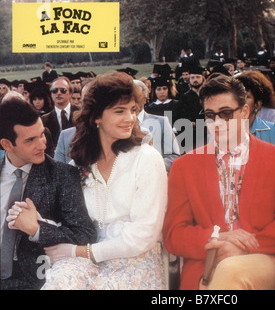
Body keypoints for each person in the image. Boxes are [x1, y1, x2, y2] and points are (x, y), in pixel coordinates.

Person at [163, 75, 275, 290]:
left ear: (245, 112)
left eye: (226, 113)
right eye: (210, 115)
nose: (217, 122)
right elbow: (174, 234)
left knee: (229, 274)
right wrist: (220, 239)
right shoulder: (184, 167)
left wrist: (243, 249)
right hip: (205, 262)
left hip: (263, 257)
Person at [42, 71, 167, 290]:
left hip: (135, 260)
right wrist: (37, 221)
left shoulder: (147, 159)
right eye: (120, 111)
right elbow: (69, 220)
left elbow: (142, 238)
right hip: (86, 259)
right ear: (96, 116)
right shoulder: (79, 164)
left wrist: (80, 251)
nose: (130, 118)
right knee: (60, 282)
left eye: (133, 110)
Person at [0, 98, 96, 290]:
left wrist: (37, 230)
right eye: (30, 140)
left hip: (33, 279)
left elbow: (85, 235)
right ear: (7, 145)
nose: (42, 145)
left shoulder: (63, 175)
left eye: (42, 134)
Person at [236, 74, 275, 155]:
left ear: (257, 104)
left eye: (246, 97)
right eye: (235, 97)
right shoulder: (219, 132)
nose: (239, 102)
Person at [134, 80, 180, 172]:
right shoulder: (116, 125)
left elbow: (174, 156)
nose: (131, 101)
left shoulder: (161, 122)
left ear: (145, 99)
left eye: (136, 98)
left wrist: (152, 167)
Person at [41, 76, 79, 146]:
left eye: (63, 90)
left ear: (70, 93)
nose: (58, 93)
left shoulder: (81, 112)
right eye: (55, 90)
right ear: (51, 94)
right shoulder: (44, 119)